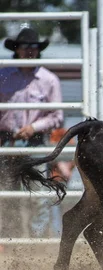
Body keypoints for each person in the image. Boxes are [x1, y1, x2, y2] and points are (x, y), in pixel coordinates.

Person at [0, 28, 64, 238]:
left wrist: (33, 127)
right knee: (8, 196)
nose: (29, 51)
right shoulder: (3, 75)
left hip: (35, 143)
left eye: (33, 47)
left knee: (38, 196)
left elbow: (57, 116)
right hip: (6, 142)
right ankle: (12, 240)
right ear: (16, 49)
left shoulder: (49, 79)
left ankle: (35, 242)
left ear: (38, 50)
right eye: (25, 47)